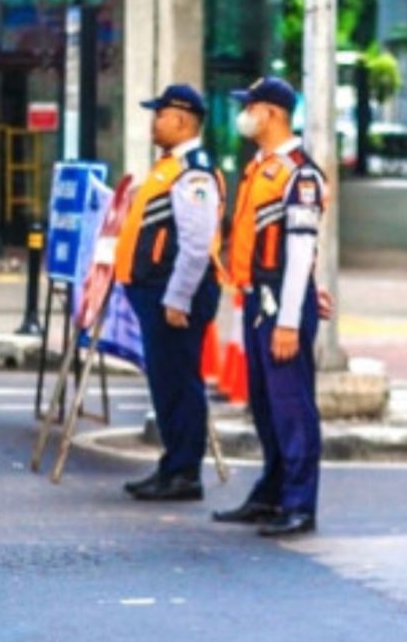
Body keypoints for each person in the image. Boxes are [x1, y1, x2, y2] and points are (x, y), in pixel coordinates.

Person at [212, 76, 327, 538]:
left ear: (273, 114)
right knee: (264, 406)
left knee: (292, 407)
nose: (245, 115)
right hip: (259, 300)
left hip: (282, 306)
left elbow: (300, 251)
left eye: (250, 106)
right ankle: (272, 491)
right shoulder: (261, 167)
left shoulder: (300, 175)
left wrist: (289, 321)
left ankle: (300, 502)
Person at [115, 84, 224, 501]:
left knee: (179, 383)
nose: (154, 122)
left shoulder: (192, 171)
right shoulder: (170, 166)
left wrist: (178, 298)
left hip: (176, 295)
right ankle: (172, 464)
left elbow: (197, 245)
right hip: (157, 291)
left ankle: (184, 473)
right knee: (166, 383)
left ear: (180, 120)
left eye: (160, 114)